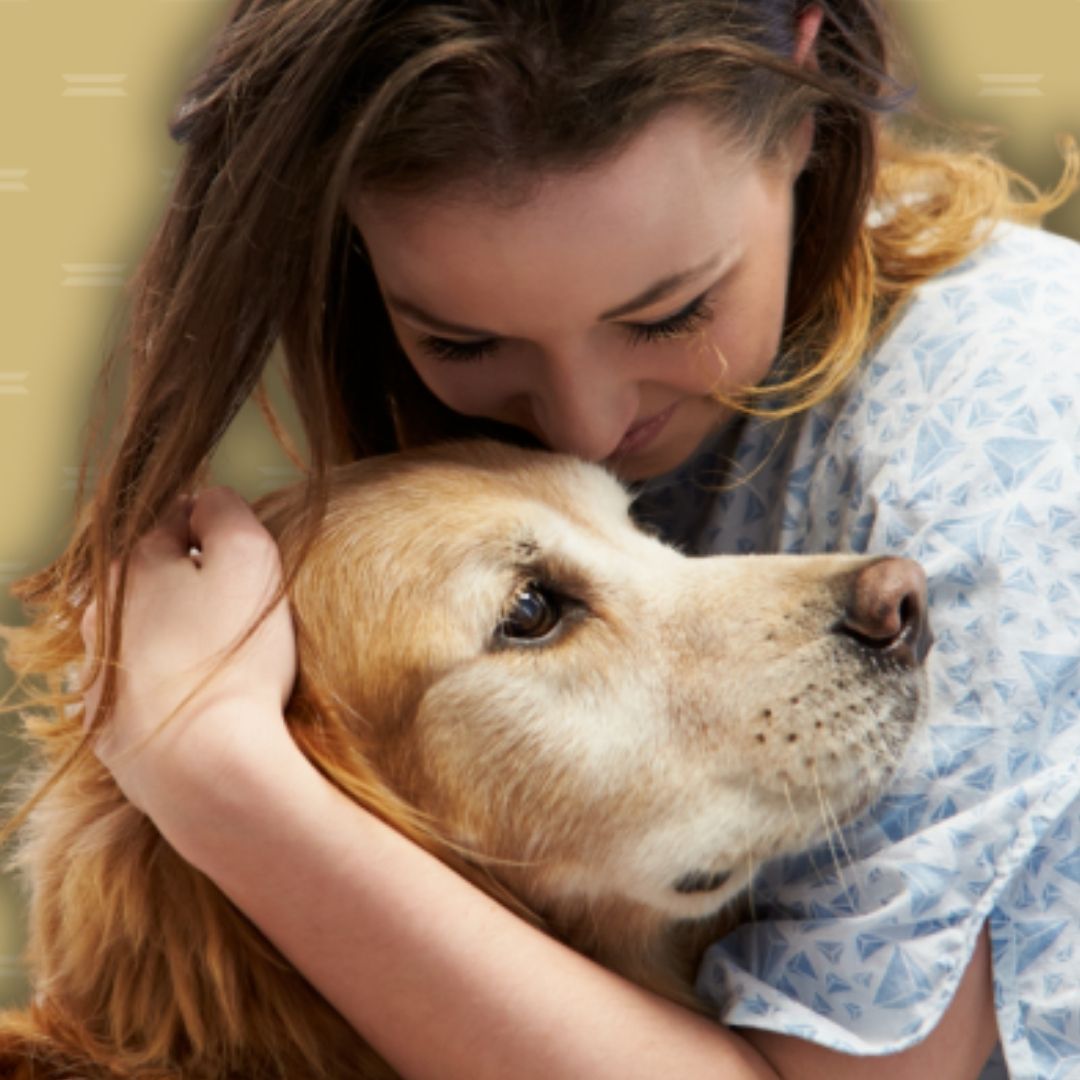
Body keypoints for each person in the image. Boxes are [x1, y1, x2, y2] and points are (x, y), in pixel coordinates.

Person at [4, 1, 1079, 1076]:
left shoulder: (1010, 422)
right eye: (461, 339)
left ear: (801, 109)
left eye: (670, 314)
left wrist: (213, 773)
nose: (585, 426)